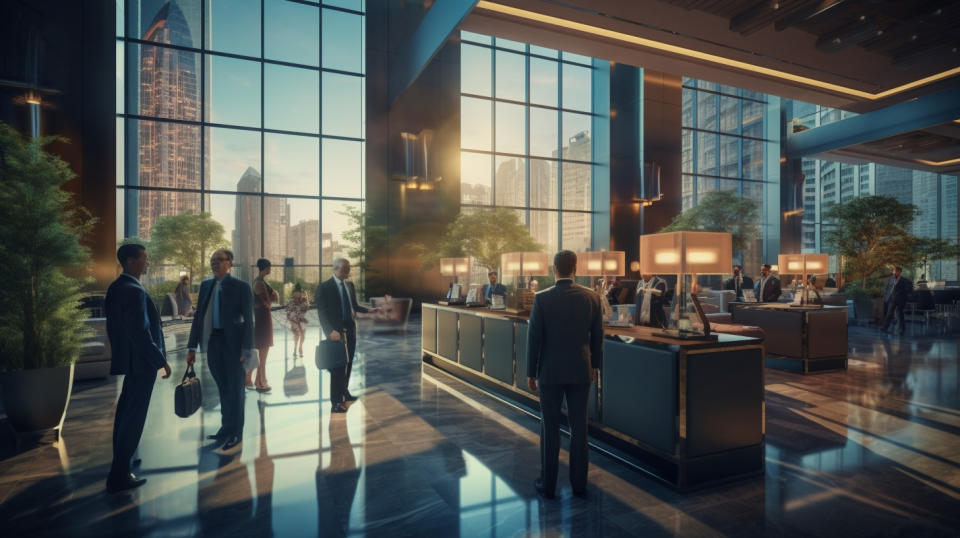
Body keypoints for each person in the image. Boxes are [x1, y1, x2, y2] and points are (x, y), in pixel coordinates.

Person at [527, 250, 603, 499]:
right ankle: (579, 485)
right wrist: (595, 367)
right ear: (575, 268)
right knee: (579, 429)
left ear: (554, 269)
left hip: (549, 372)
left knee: (549, 428)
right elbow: (598, 338)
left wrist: (530, 372)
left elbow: (534, 339)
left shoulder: (542, 299)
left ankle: (547, 485)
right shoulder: (592, 297)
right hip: (581, 371)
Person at [104, 243, 171, 493]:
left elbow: (117, 329)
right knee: (134, 416)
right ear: (131, 261)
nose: (147, 262)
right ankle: (119, 474)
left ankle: (123, 460)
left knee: (125, 412)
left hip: (130, 360)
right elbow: (140, 332)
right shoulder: (134, 290)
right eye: (144, 258)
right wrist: (160, 360)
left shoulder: (116, 287)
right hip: (142, 362)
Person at [187, 249, 255, 454]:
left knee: (236, 390)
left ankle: (237, 433)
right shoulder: (206, 285)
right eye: (212, 260)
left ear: (230, 263)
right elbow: (198, 318)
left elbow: (249, 320)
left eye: (219, 260)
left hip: (234, 346)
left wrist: (246, 348)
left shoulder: (241, 287)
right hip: (213, 342)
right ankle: (226, 428)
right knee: (223, 387)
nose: (215, 263)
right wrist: (191, 346)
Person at [316, 258, 380, 413]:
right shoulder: (325, 287)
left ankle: (345, 392)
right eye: (345, 269)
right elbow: (322, 312)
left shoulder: (349, 285)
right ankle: (336, 402)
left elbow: (354, 306)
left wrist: (368, 311)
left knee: (349, 362)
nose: (348, 272)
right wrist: (329, 331)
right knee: (338, 366)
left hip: (351, 329)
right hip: (335, 333)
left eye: (349, 269)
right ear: (336, 269)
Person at [250, 258, 279, 392]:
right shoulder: (259, 283)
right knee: (263, 351)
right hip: (262, 318)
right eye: (269, 267)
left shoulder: (261, 282)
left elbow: (273, 298)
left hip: (264, 317)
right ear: (265, 267)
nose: (270, 269)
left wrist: (273, 296)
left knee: (264, 350)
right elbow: (268, 301)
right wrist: (273, 295)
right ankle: (261, 382)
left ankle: (259, 380)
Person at [880, 266, 912, 335]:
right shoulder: (891, 279)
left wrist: (907, 295)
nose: (893, 272)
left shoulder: (905, 280)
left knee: (900, 314)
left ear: (899, 272)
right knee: (889, 313)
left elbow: (910, 288)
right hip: (892, 299)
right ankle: (884, 327)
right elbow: (887, 288)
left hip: (901, 300)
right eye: (893, 271)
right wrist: (886, 296)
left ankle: (902, 329)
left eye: (895, 271)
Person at [285, 283, 309, 358]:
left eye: (299, 293)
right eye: (296, 293)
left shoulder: (304, 299)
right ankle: (295, 348)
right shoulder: (291, 300)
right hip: (293, 320)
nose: (297, 294)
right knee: (297, 334)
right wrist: (291, 320)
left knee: (303, 335)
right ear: (294, 293)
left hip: (301, 319)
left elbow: (305, 309)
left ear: (300, 293)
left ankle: (300, 347)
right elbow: (288, 311)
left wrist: (301, 304)